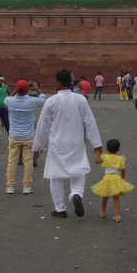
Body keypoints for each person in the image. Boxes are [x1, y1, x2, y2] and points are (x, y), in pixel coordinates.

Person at [32, 69, 102, 218]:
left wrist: (37, 147)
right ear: (70, 82)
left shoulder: (51, 101)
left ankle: (60, 209)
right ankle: (76, 194)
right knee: (78, 170)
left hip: (57, 144)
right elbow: (89, 122)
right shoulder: (80, 99)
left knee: (55, 176)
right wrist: (96, 144)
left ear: (57, 82)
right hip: (76, 142)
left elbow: (42, 126)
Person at [4, 79, 47, 194]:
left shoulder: (10, 101)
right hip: (28, 136)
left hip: (14, 135)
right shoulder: (31, 101)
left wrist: (16, 90)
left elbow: (6, 98)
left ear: (17, 89)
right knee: (28, 161)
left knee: (12, 161)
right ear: (28, 89)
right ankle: (27, 186)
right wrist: (36, 87)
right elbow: (44, 99)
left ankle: (10, 186)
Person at [91, 138, 133, 221]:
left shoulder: (105, 157)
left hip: (106, 179)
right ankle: (117, 215)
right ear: (118, 149)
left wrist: (97, 153)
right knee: (116, 198)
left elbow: (96, 161)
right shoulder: (120, 159)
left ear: (107, 149)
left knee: (105, 197)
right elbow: (123, 170)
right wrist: (122, 178)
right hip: (117, 179)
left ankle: (103, 211)